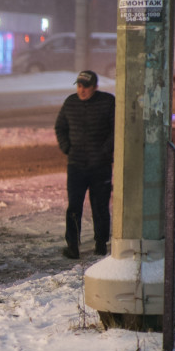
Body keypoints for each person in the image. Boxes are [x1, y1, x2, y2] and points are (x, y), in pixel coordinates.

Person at [54, 69, 115, 259]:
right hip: (76, 165)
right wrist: (67, 148)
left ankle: (101, 243)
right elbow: (60, 127)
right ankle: (72, 246)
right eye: (79, 86)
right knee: (74, 207)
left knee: (100, 206)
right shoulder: (70, 103)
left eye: (86, 87)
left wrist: (105, 151)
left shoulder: (107, 102)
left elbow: (116, 129)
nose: (82, 90)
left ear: (95, 87)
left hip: (100, 166)